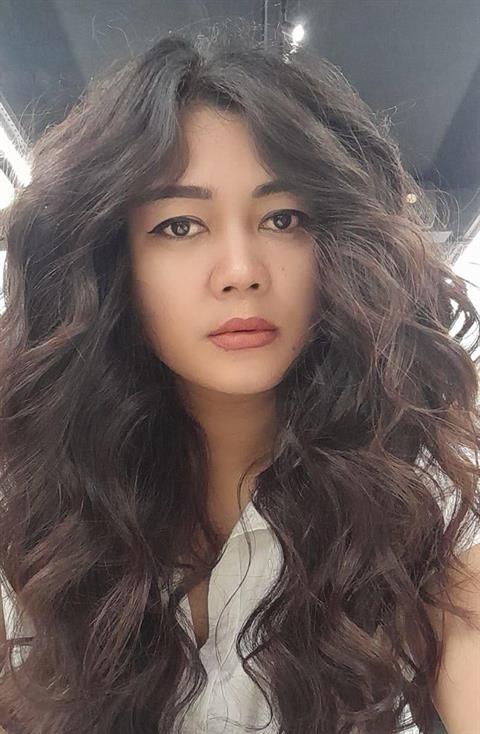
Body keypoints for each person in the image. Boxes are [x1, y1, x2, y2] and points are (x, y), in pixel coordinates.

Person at [0, 20, 479, 734]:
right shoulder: (29, 490)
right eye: (180, 226)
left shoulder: (419, 486)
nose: (242, 272)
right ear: (111, 262)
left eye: (284, 219)